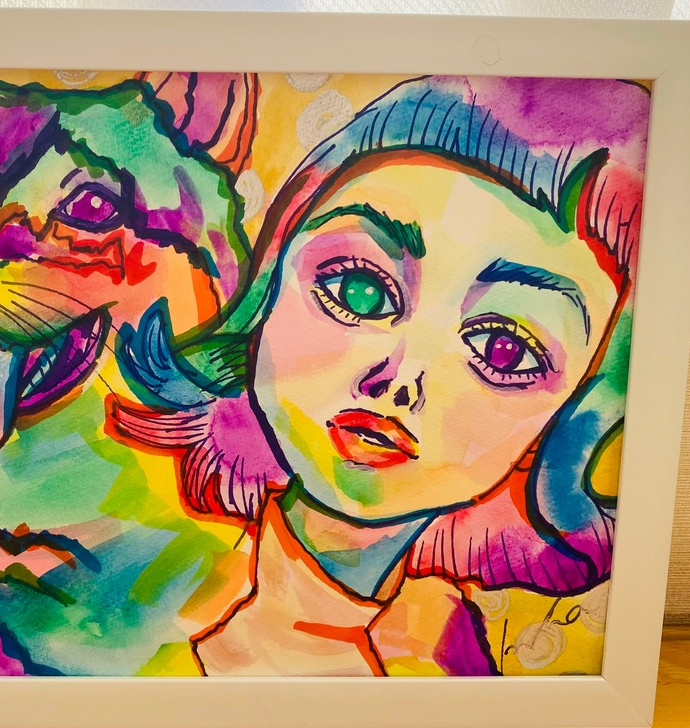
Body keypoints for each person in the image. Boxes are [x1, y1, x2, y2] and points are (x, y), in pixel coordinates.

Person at [112, 74, 649, 676]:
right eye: (358, 289)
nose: (399, 378)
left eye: (503, 351)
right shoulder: (120, 580)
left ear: (570, 416)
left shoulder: (454, 658)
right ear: (271, 282)